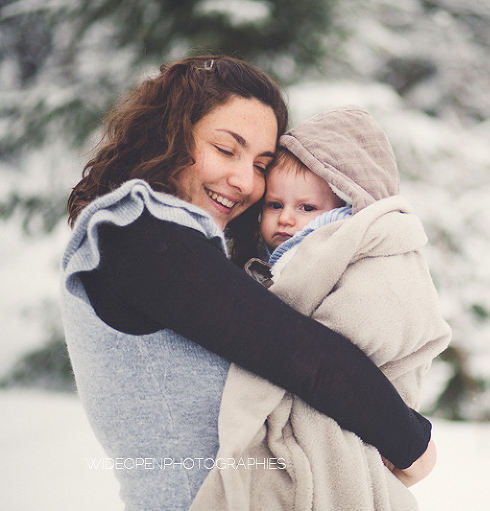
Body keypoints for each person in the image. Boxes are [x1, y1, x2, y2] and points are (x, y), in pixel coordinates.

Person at [60, 56, 435, 511]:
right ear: (169, 136)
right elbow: (298, 353)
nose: (244, 181)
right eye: (225, 148)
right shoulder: (135, 232)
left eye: (260, 164)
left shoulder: (177, 242)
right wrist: (412, 443)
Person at [190, 105, 451, 510]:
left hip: (350, 412)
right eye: (274, 205)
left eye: (307, 208)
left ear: (349, 210)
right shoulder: (272, 262)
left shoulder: (377, 252)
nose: (286, 219)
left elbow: (362, 327)